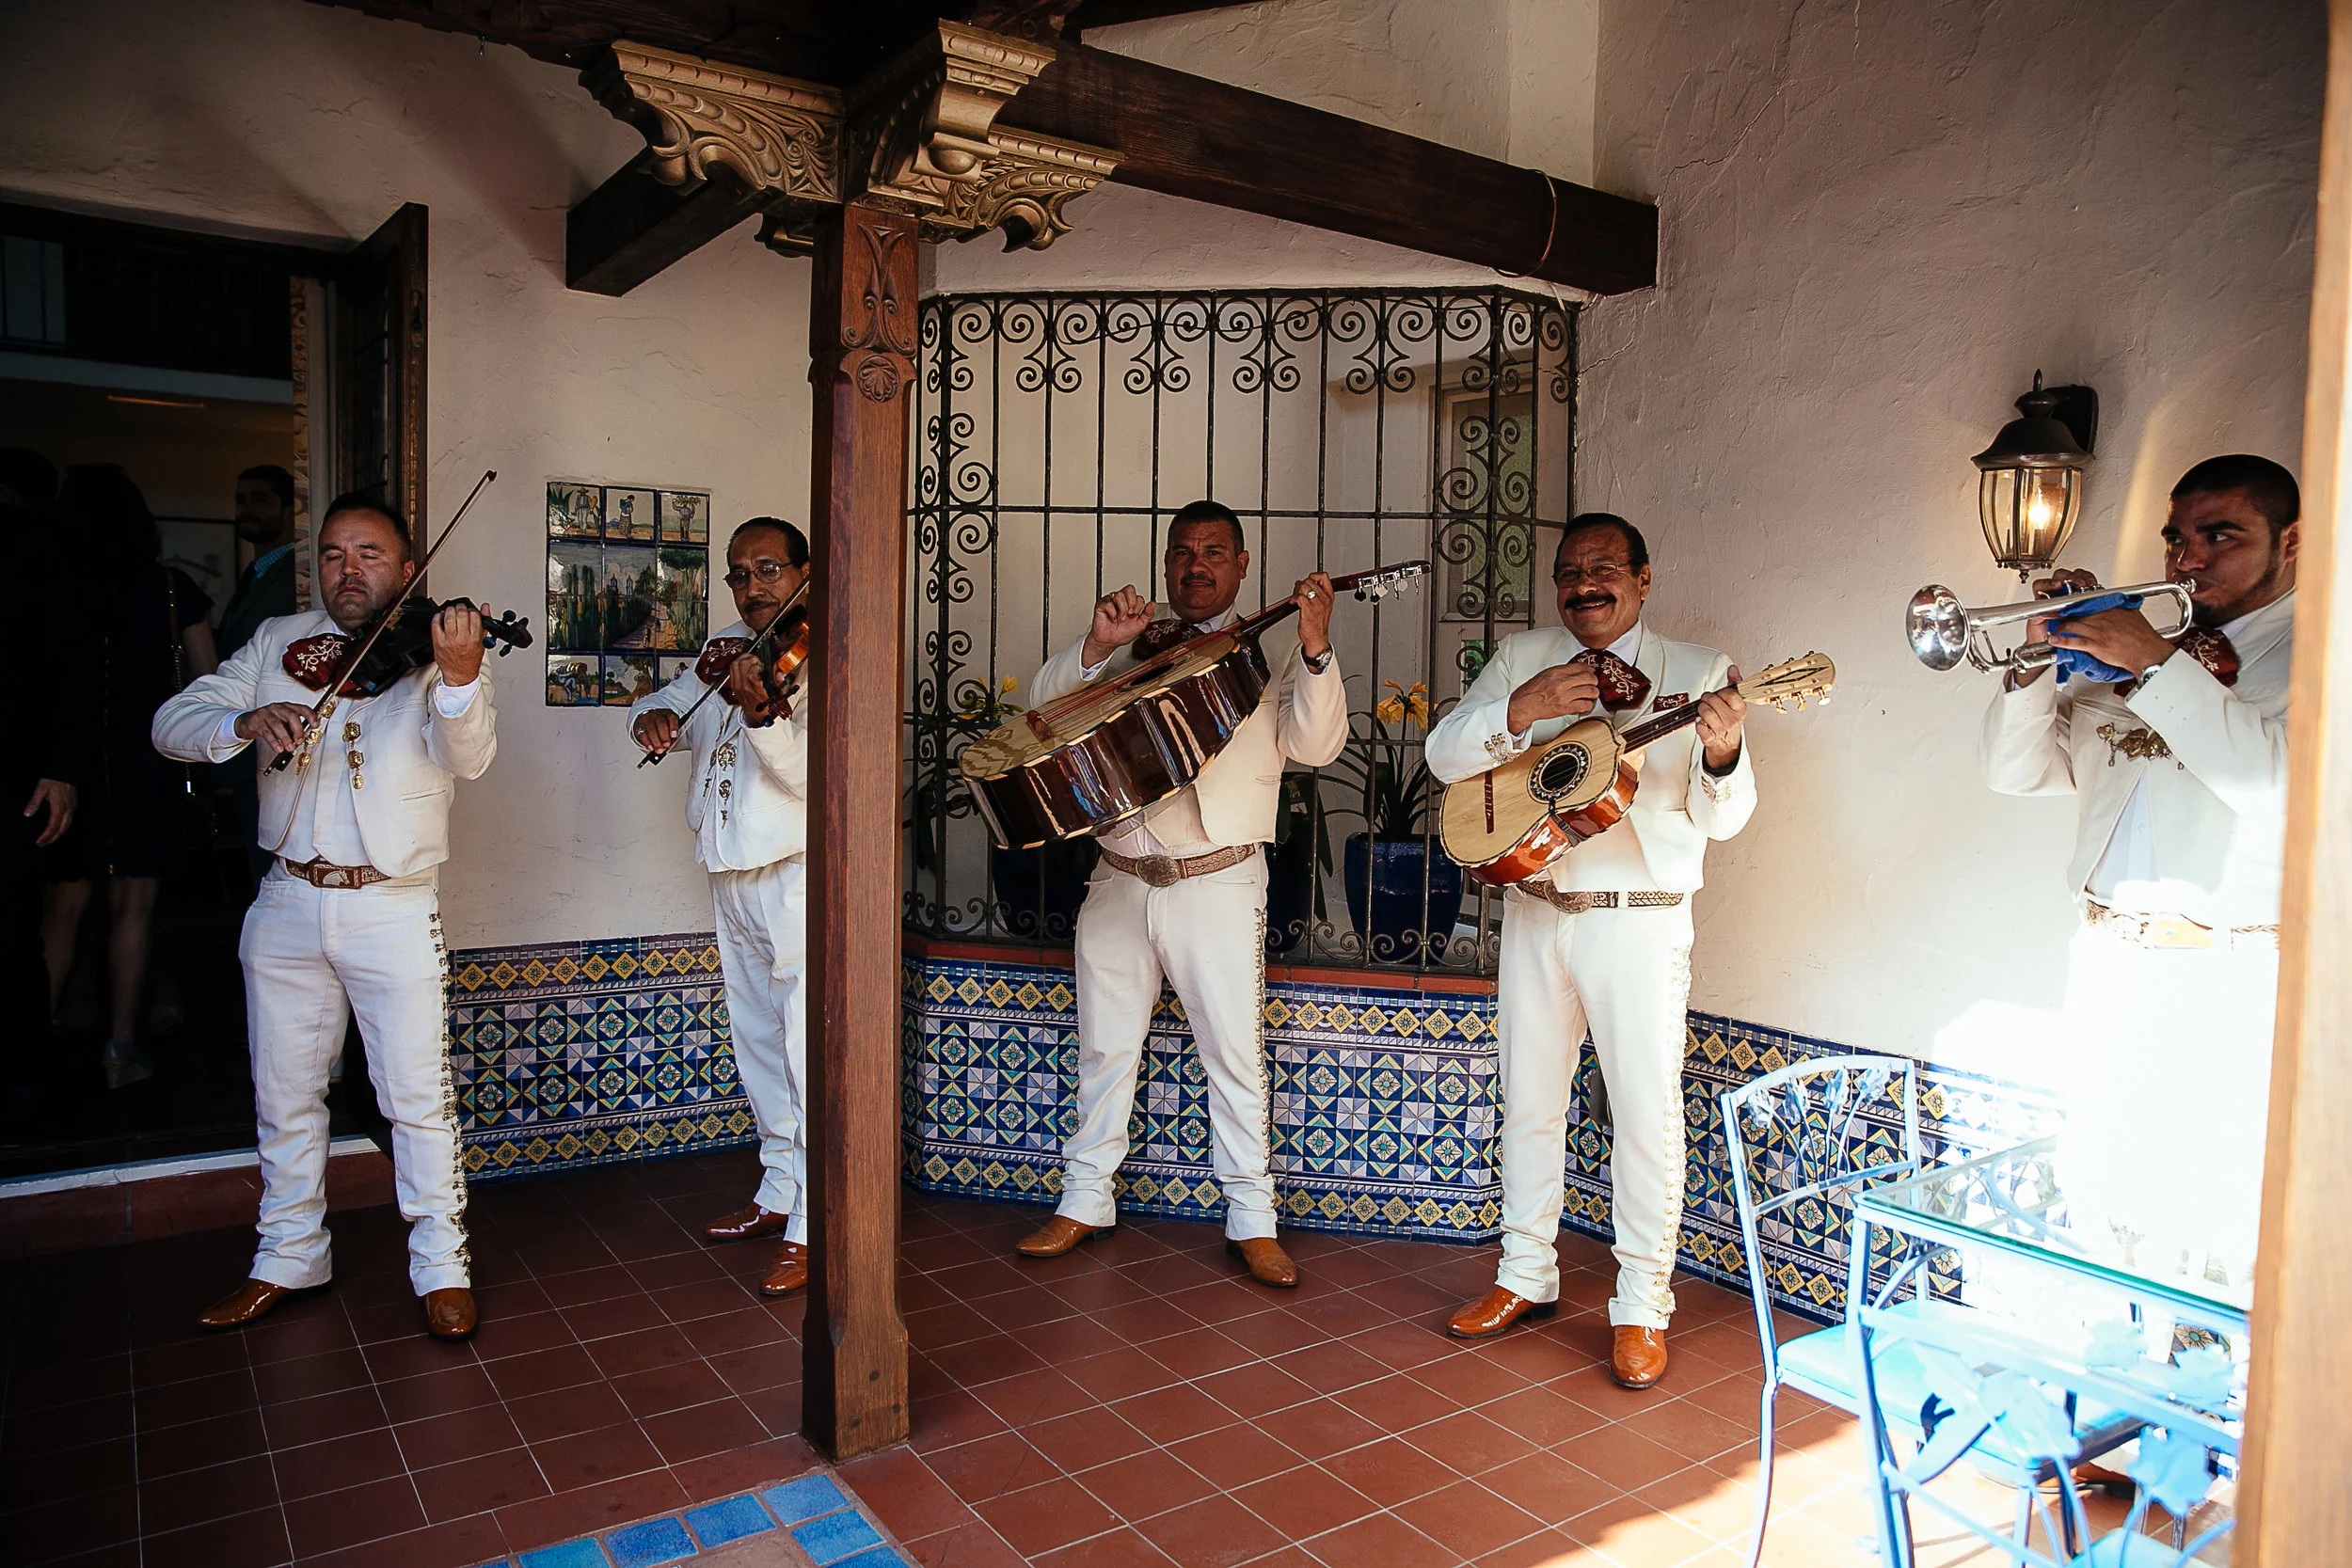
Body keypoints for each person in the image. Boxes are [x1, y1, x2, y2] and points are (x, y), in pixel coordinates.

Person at [153, 492, 497, 1340]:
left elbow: (472, 755)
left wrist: (457, 678)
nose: (350, 570)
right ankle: (288, 1255)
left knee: (415, 1096)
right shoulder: (277, 643)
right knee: (285, 1092)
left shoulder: (436, 653)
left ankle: (442, 1266)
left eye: (370, 554)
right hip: (286, 898)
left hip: (391, 902)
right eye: (335, 554)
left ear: (408, 569)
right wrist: (243, 717)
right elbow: (172, 722)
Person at [1423, 513, 1755, 1389]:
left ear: (1644, 579)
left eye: (1604, 568)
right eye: (1569, 570)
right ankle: (1524, 1274)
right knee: (1528, 1101)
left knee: (1646, 1113)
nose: (1584, 584)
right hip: (1535, 905)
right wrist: (1522, 709)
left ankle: (1642, 1306)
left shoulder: (1699, 673)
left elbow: (1730, 816)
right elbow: (1443, 755)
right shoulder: (1521, 658)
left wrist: (1721, 752)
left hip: (1640, 919)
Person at [1010, 500, 1345, 1288]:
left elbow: (1316, 744)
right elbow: (1045, 709)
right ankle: (1084, 1198)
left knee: (1233, 1053)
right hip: (1121, 877)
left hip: (1219, 878)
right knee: (1104, 1048)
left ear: (1242, 562)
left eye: (1214, 552)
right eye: (1183, 552)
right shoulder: (1134, 640)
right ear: (1167, 564)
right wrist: (1098, 647)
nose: (1197, 565)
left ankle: (1252, 1218)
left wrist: (1318, 646)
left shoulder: (1273, 646)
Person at [1982, 454, 2296, 1292]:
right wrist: (2032, 660)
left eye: (2218, 536)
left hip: (2233, 971)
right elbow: (2018, 773)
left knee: (2219, 1218)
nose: (2187, 558)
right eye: (2176, 538)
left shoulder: (2318, 656)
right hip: (2108, 955)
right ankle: (2118, 1386)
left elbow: (2281, 789)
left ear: (2291, 541)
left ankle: (2213, 1407)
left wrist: (2157, 665)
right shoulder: (2151, 644)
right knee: (2103, 1190)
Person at [628, 518, 816, 1299]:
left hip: (796, 875)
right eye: (739, 573)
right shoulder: (723, 647)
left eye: (768, 569)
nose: (751, 587)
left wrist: (766, 715)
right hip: (727, 871)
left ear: (806, 572)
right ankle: (778, 1191)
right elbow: (668, 705)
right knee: (758, 1041)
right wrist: (653, 719)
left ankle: (818, 1220)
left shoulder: (826, 655)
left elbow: (818, 780)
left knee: (806, 1048)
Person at [40, 465, 218, 1090]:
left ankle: (29, 1052)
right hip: (151, 760)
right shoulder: (172, 590)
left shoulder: (52, 585)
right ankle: (119, 1046)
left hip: (70, 765)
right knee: (134, 907)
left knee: (63, 906)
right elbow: (207, 682)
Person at [1, 450, 79, 1134]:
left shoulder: (37, 550)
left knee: (14, 928)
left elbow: (63, 658)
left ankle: (23, 1074)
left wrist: (58, 763)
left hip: (17, 769)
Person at [217, 464, 303, 891]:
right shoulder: (255, 573)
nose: (246, 508)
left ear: (291, 511)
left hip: (278, 754)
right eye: (241, 499)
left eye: (260, 499)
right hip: (250, 749)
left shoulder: (290, 576)